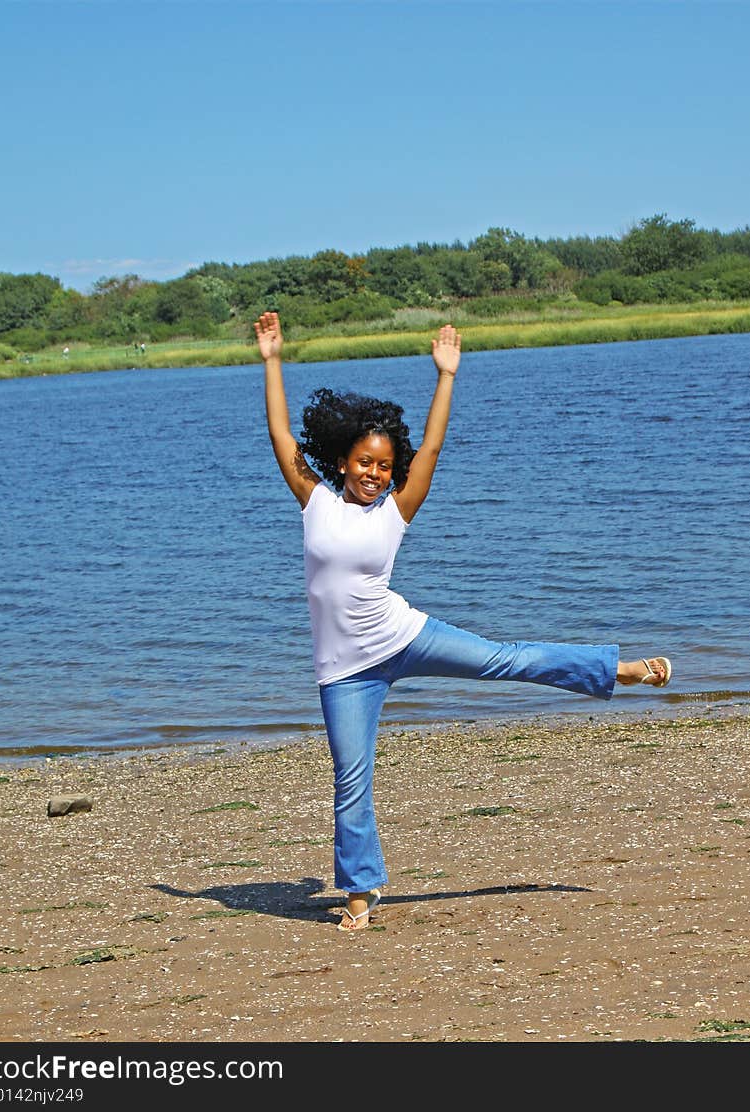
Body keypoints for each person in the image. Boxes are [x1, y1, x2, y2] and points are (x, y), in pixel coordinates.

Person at [254, 310, 673, 932]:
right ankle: (363, 893)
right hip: (345, 669)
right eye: (365, 462)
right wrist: (271, 360)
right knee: (350, 777)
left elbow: (433, 446)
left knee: (507, 659)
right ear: (342, 461)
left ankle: (616, 669)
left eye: (384, 465)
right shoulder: (313, 498)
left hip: (403, 635)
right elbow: (281, 433)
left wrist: (446, 376)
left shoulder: (395, 511)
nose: (375, 473)